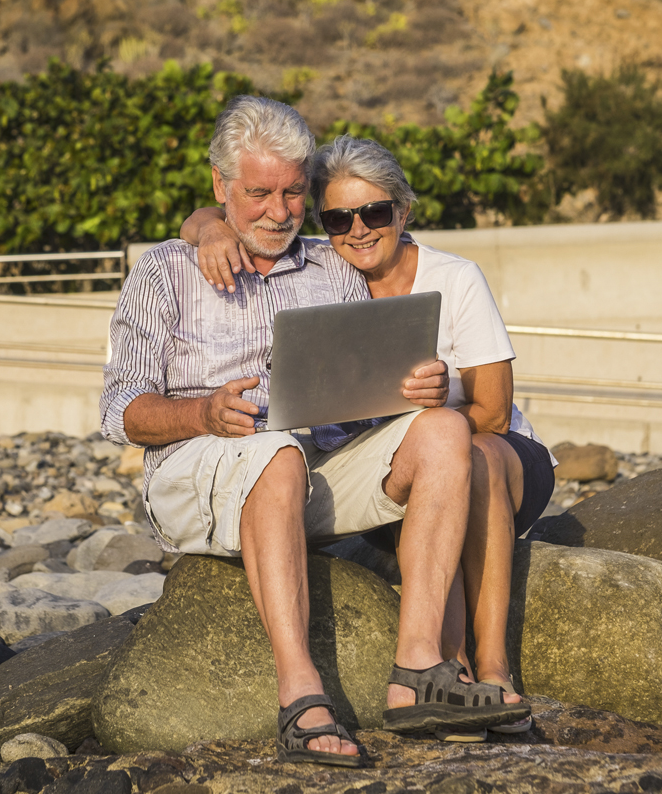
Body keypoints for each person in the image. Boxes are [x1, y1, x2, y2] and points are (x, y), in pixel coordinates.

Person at [101, 98, 529, 767]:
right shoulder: (165, 271)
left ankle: (417, 668)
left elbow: (374, 397)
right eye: (258, 194)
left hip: (317, 473)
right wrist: (201, 413)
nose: (278, 211)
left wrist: (414, 389)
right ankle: (300, 696)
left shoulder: (332, 267)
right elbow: (120, 411)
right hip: (201, 469)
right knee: (273, 452)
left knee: (445, 427)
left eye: (295, 193)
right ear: (220, 188)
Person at [180, 134, 556, 739]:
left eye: (374, 213)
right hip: (387, 474)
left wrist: (442, 396)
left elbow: (493, 411)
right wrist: (206, 226)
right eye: (337, 217)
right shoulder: (322, 272)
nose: (357, 230)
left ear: (402, 212)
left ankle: (485, 668)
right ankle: (442, 675)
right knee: (441, 454)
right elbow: (226, 211)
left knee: (467, 448)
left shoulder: (453, 279)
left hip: (494, 451)